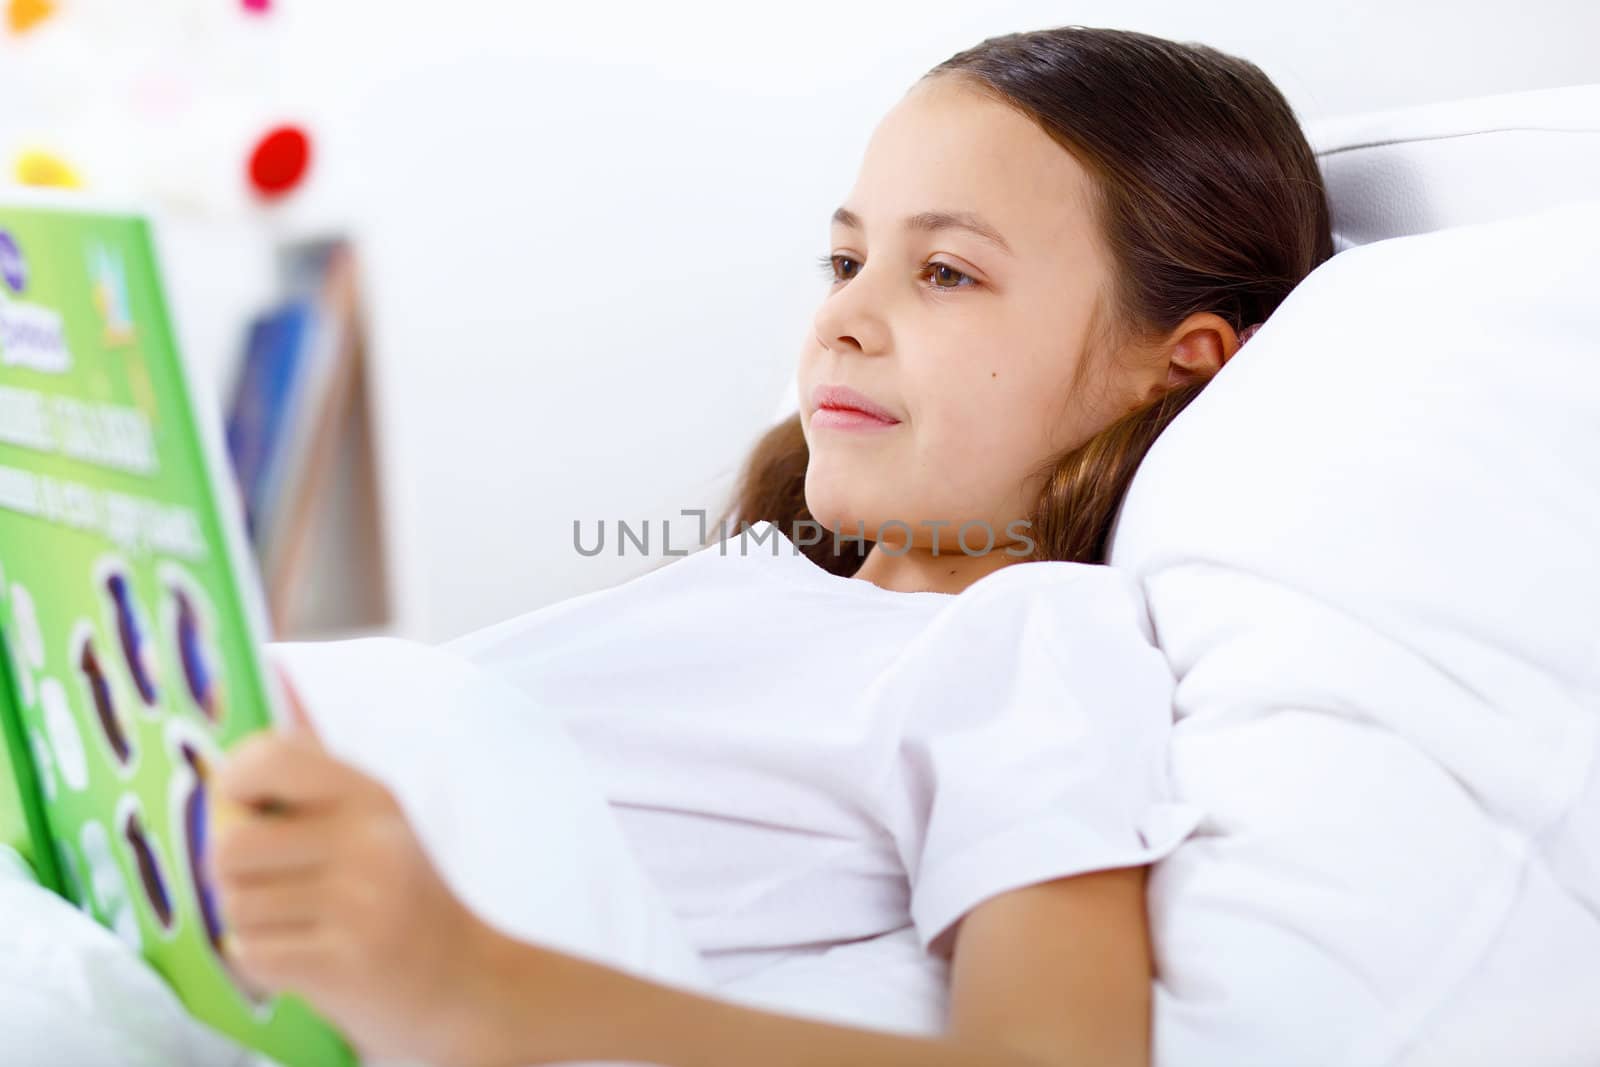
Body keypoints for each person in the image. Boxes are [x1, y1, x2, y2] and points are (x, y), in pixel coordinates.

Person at [209, 24, 1333, 1067]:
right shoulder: (757, 582)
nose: (842, 318)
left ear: (1177, 362)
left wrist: (474, 989)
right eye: (846, 264)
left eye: (946, 271)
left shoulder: (1029, 635)